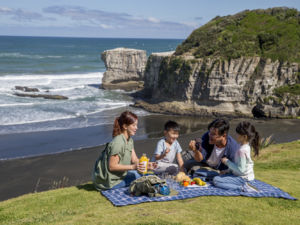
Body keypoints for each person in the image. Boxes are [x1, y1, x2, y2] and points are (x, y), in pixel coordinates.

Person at [93, 111, 156, 190]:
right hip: (109, 182)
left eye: (136, 125)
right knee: (144, 178)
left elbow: (135, 160)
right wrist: (133, 167)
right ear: (125, 126)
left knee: (144, 175)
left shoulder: (129, 140)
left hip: (118, 176)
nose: (136, 128)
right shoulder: (118, 143)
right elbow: (112, 167)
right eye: (134, 125)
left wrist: (147, 165)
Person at [212, 121, 260, 192]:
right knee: (218, 176)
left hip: (243, 178)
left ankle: (243, 188)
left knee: (216, 180)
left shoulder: (242, 150)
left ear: (244, 137)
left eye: (238, 134)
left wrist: (227, 162)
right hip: (244, 176)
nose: (236, 135)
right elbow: (238, 164)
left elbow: (241, 169)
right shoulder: (243, 146)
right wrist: (227, 171)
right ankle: (243, 186)